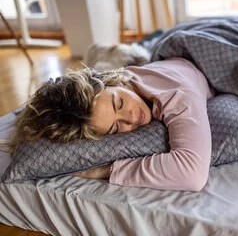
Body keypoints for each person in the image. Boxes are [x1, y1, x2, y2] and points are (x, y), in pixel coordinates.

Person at [10, 58, 215, 191]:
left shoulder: (179, 97)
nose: (132, 118)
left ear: (115, 81)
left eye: (120, 103)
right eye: (116, 128)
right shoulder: (119, 87)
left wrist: (106, 171)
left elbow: (193, 174)